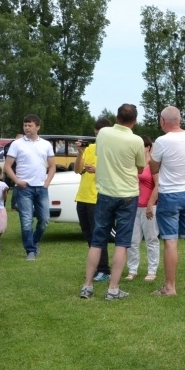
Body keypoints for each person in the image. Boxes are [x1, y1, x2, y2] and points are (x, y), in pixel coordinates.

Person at [79, 104, 145, 300]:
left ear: (117, 117)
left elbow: (99, 155)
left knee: (97, 241)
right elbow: (141, 168)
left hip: (105, 193)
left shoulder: (103, 134)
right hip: (128, 195)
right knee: (122, 243)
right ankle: (113, 289)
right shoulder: (137, 140)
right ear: (135, 121)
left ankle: (87, 286)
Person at [150, 106, 185, 296]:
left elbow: (153, 167)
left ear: (163, 121)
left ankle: (170, 287)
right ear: (179, 120)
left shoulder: (162, 141)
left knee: (170, 240)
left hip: (170, 194)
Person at [5, 115, 56, 260]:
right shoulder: (17, 144)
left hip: (41, 187)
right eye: (25, 125)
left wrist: (47, 183)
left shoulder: (46, 144)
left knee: (44, 220)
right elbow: (7, 166)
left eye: (30, 125)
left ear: (38, 127)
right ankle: (30, 251)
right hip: (23, 188)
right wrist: (17, 181)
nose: (26, 128)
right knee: (26, 220)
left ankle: (35, 240)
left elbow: (52, 166)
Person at [74, 118, 113, 281]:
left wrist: (97, 169)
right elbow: (77, 170)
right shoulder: (89, 148)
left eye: (100, 133)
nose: (97, 136)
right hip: (82, 197)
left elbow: (113, 173)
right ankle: (96, 267)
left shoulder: (111, 149)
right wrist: (80, 153)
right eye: (96, 133)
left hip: (98, 198)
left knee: (99, 235)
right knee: (88, 234)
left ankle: (104, 269)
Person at [126, 136, 160, 282]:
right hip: (133, 206)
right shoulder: (135, 163)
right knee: (132, 240)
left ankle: (152, 270)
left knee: (151, 239)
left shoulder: (152, 164)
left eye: (141, 146)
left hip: (149, 206)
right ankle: (132, 269)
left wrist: (150, 204)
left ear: (148, 148)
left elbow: (158, 185)